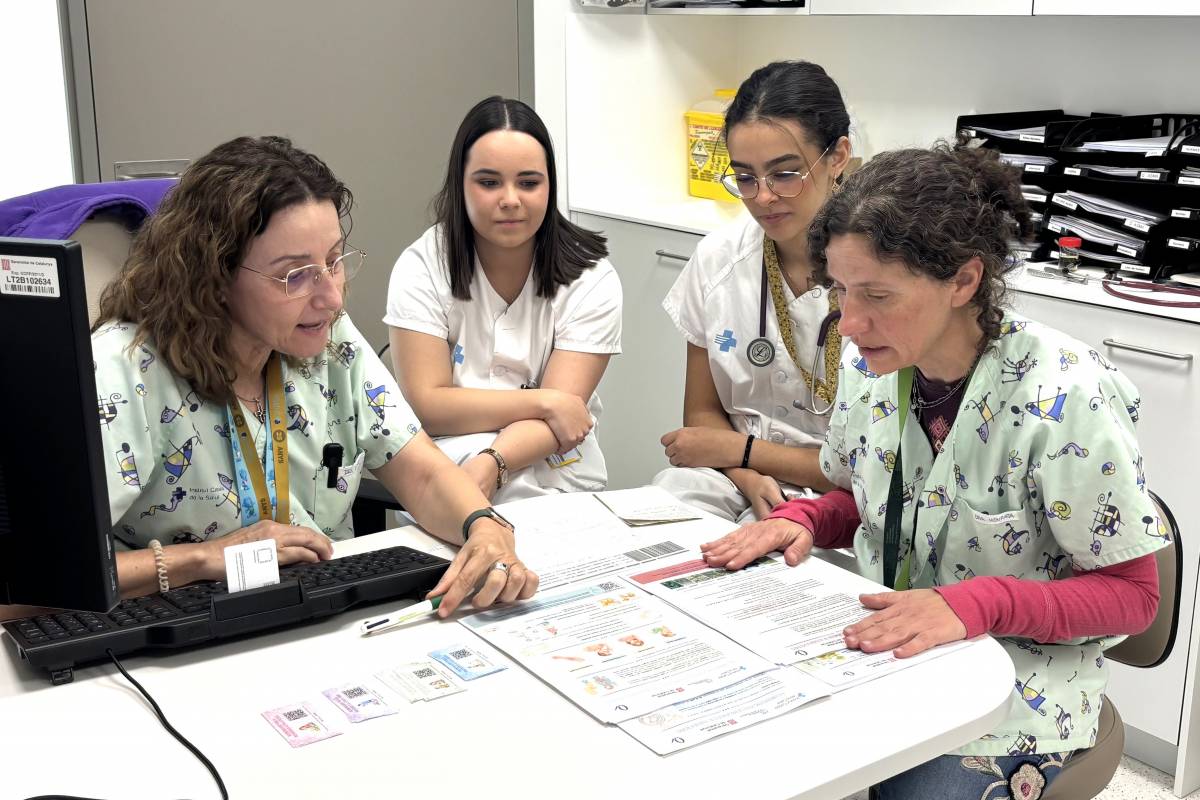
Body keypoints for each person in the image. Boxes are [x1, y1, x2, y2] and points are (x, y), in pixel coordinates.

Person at [700, 145, 1166, 799]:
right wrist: (804, 517)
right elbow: (875, 499)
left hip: (1022, 686)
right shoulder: (873, 365)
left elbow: (1134, 596)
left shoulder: (1064, 395)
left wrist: (976, 603)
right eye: (839, 290)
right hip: (898, 649)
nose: (850, 323)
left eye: (878, 295)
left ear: (963, 281)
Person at [91, 135, 535, 616]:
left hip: (322, 612)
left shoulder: (328, 340)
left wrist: (484, 526)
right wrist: (200, 559)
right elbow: (30, 589)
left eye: (334, 261)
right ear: (213, 278)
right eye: (295, 275)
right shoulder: (123, 369)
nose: (332, 298)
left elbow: (423, 475)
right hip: (181, 628)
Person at [384, 97, 622, 504]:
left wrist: (493, 462)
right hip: (447, 467)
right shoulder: (422, 266)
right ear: (460, 183)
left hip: (557, 470)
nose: (510, 199)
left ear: (551, 185)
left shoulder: (591, 276)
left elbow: (564, 421)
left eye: (529, 183)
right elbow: (427, 405)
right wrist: (545, 400)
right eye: (489, 182)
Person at [653, 61, 853, 523]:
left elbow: (877, 464)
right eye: (744, 177)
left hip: (843, 496)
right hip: (733, 475)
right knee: (662, 510)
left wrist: (742, 451)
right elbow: (702, 413)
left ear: (838, 155)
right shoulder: (718, 260)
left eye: (785, 174)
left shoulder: (882, 274)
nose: (762, 197)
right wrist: (745, 471)